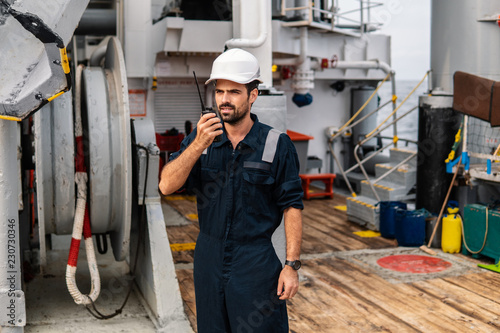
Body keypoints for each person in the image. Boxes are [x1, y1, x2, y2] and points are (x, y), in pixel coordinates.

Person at [159, 48, 303, 332]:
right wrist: (198, 144)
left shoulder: (276, 144)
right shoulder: (200, 139)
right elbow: (166, 185)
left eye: (234, 92)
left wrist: (291, 265)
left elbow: (292, 206)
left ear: (253, 95)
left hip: (255, 261)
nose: (224, 99)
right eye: (220, 91)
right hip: (208, 257)